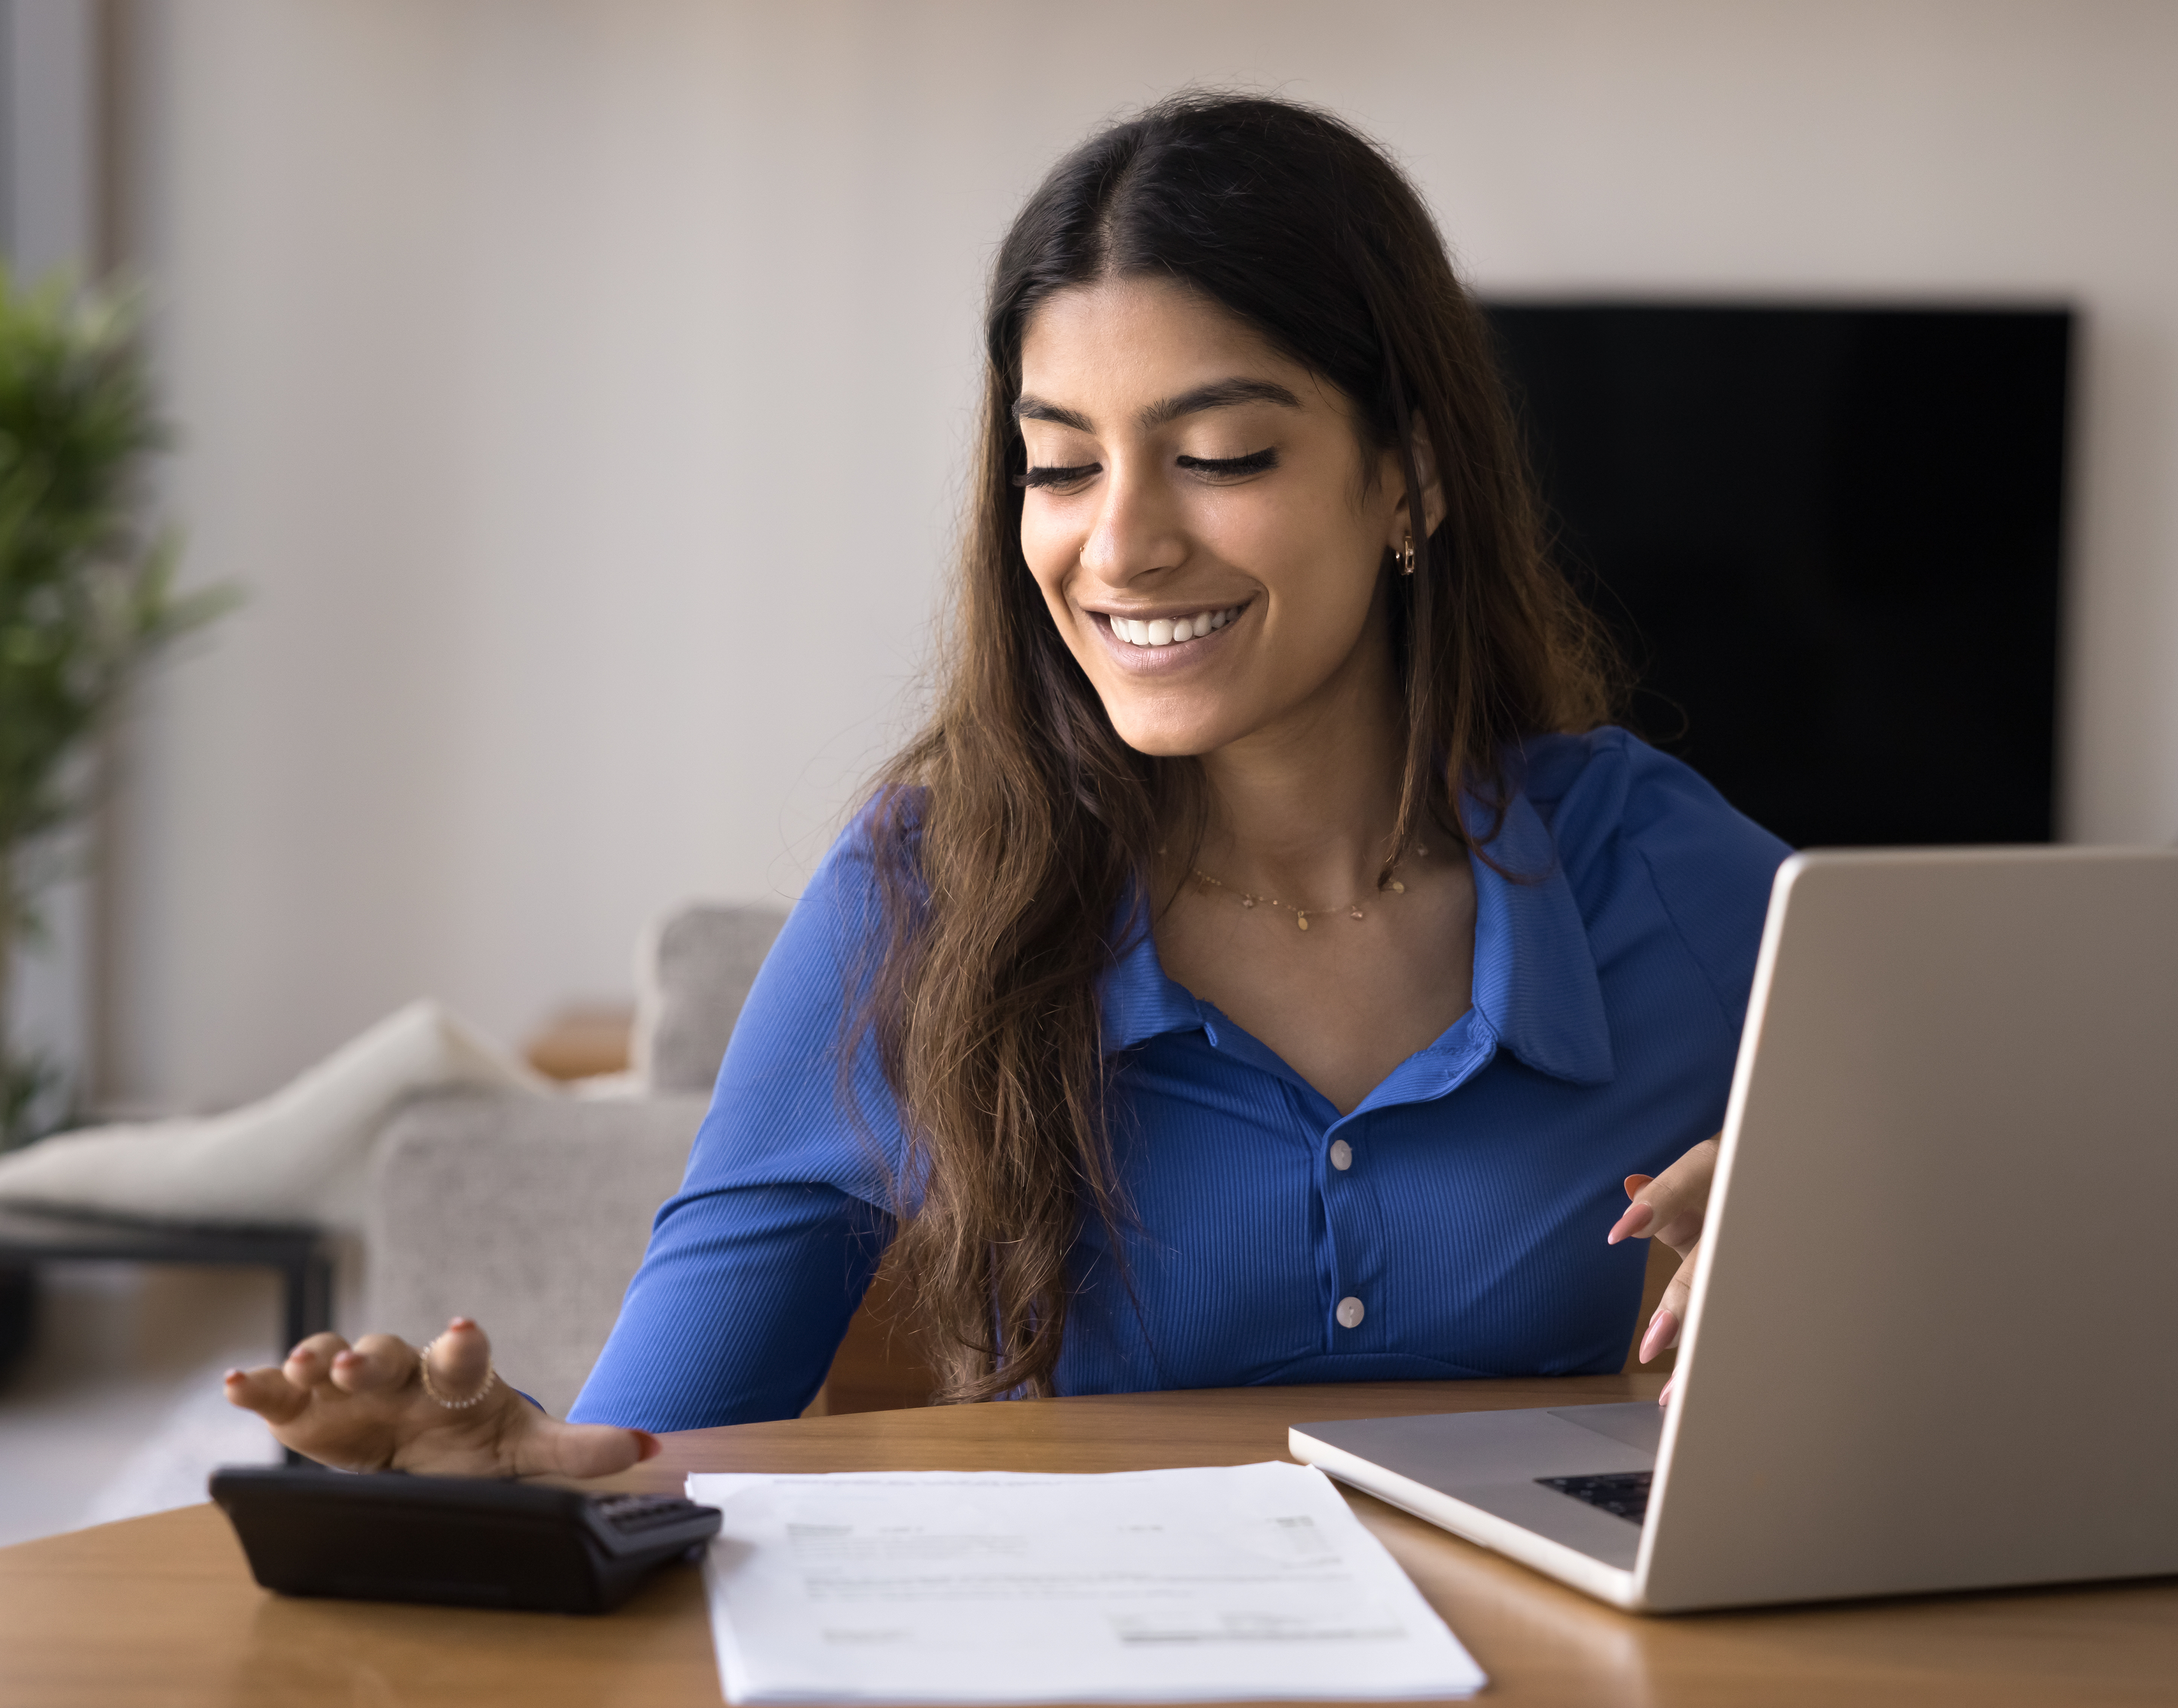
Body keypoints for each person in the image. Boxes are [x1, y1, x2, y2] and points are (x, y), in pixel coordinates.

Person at [225, 93, 1788, 1477]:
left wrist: (1820, 1231)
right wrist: (523, 1470)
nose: (1120, 547)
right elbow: (667, 1440)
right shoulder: (928, 888)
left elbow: (2005, 1224)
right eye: (1061, 463)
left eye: (1223, 454)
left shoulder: (1649, 866)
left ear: (1414, 477)